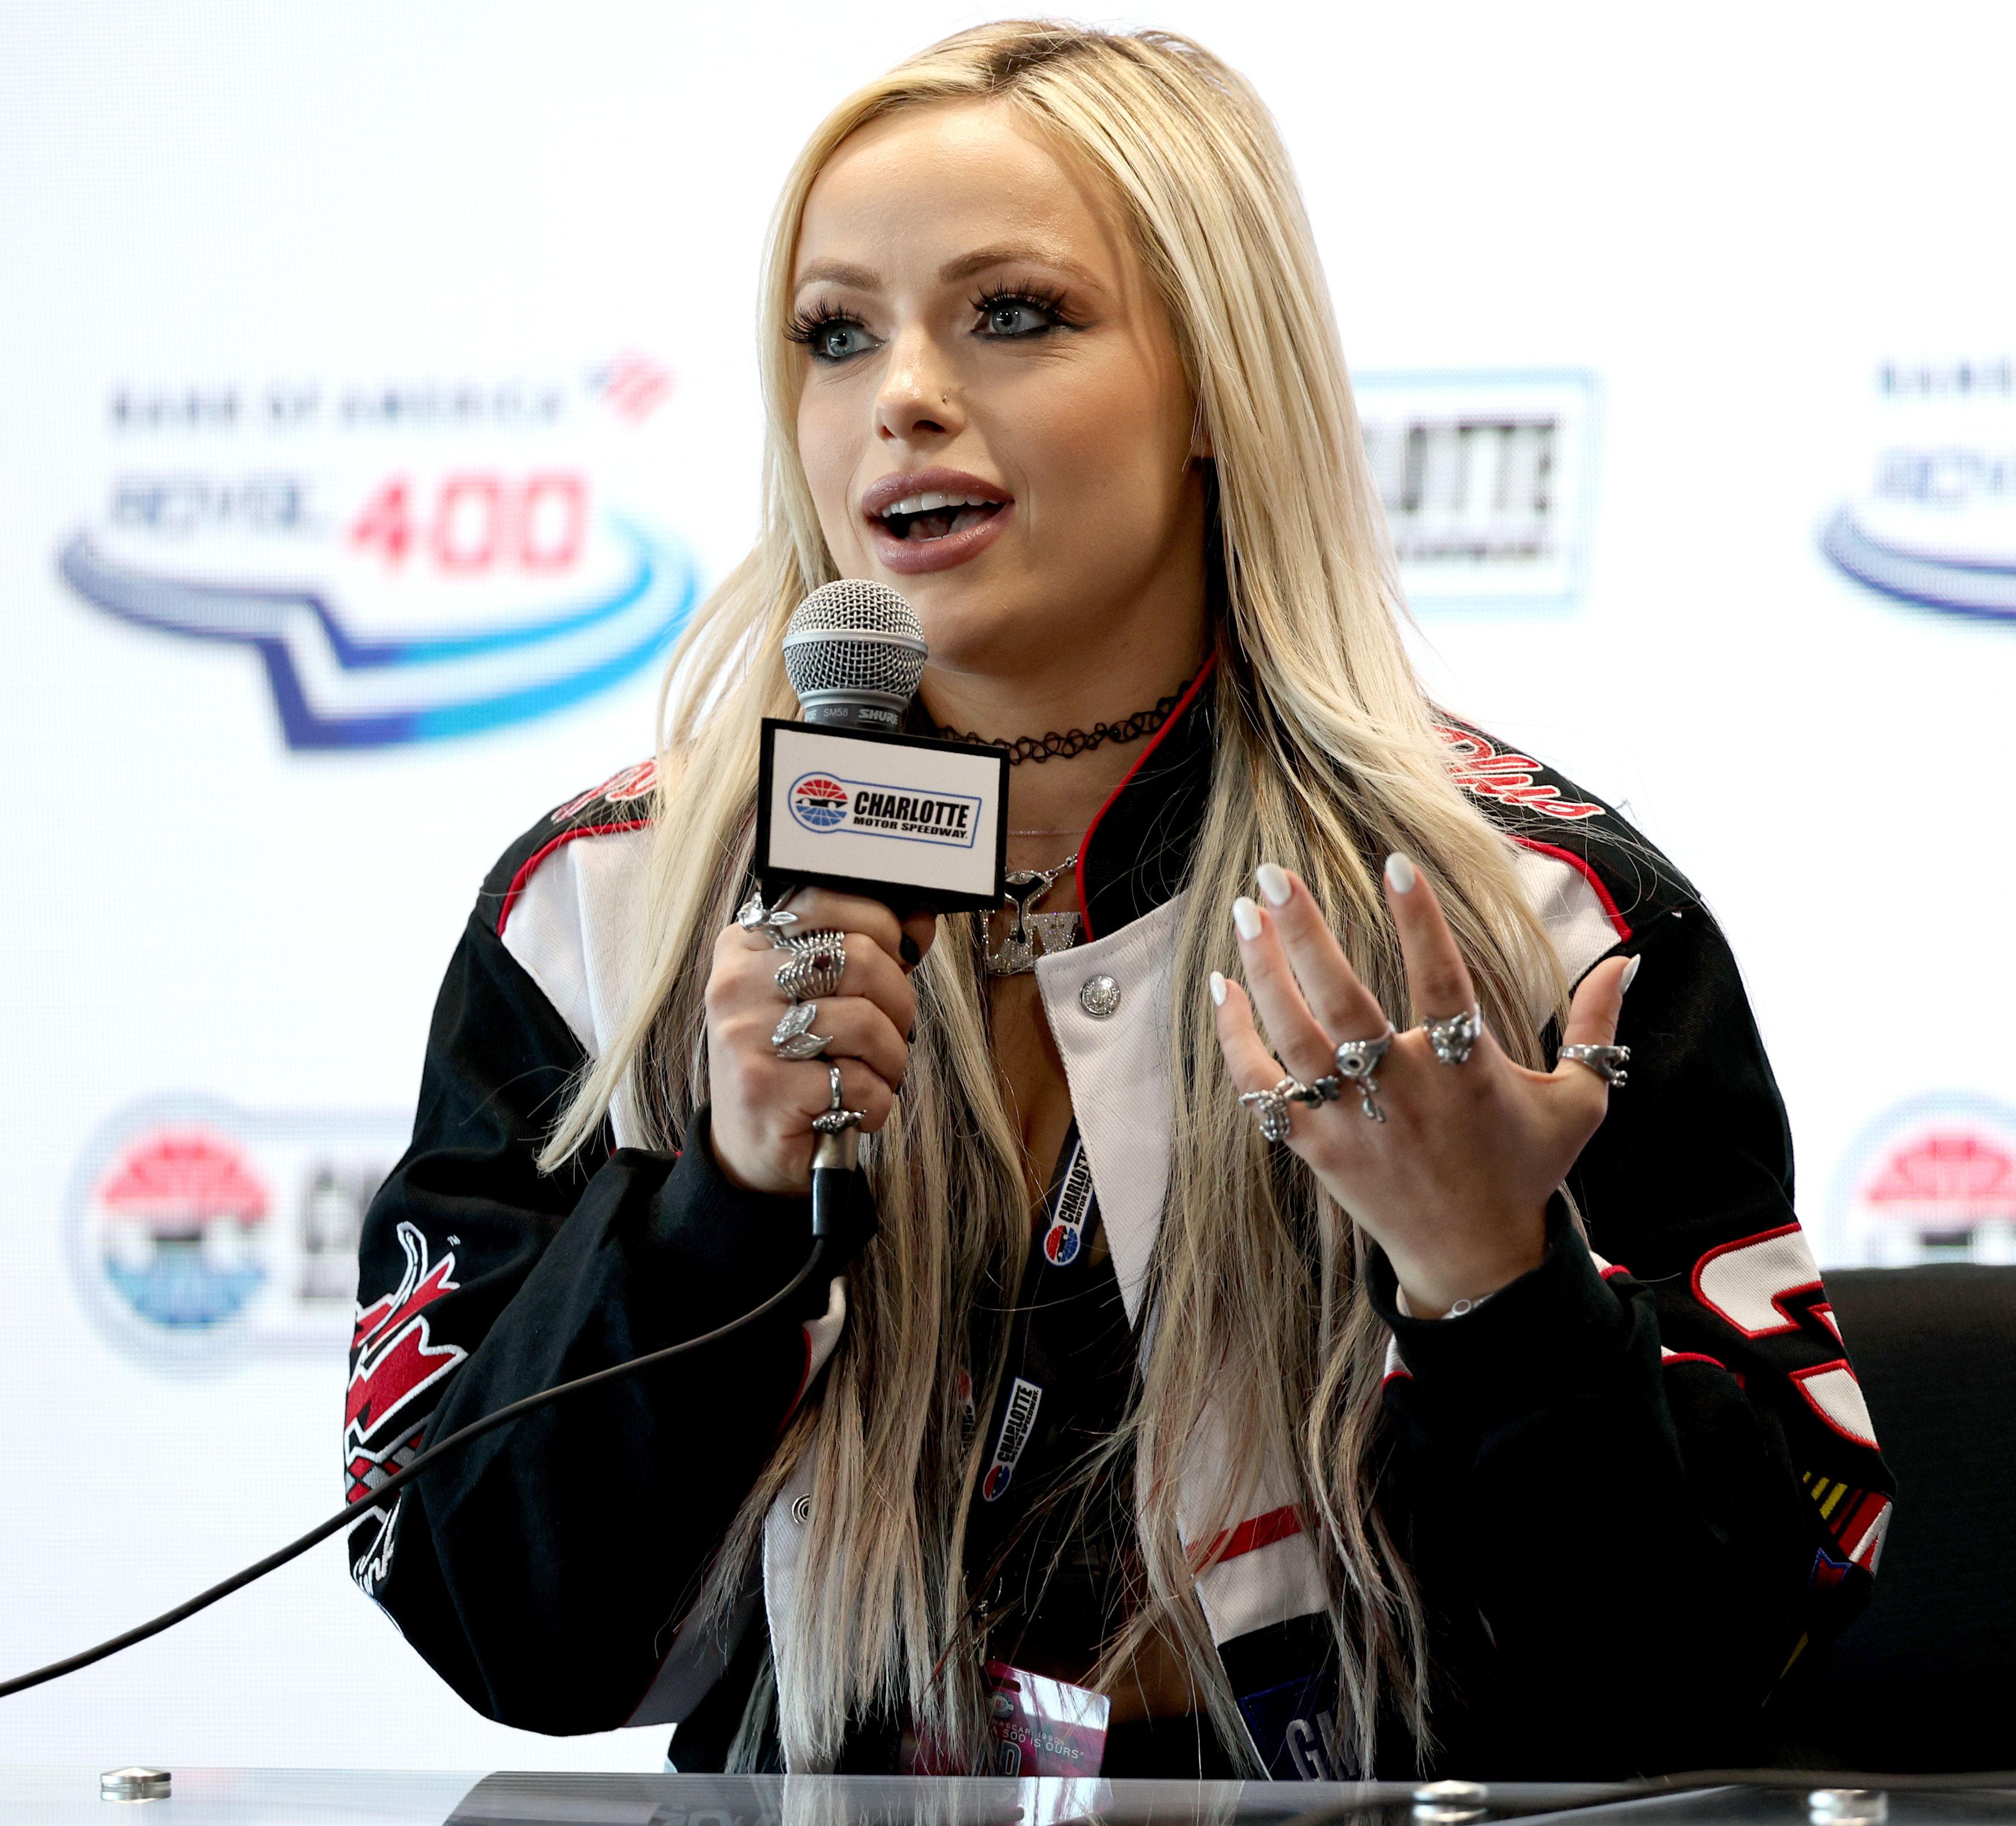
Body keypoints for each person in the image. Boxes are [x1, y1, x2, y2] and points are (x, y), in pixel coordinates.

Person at [343, 20, 1892, 1779]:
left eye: (1013, 315)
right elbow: (500, 1634)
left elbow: (1713, 1674)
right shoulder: (604, 917)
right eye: (837, 334)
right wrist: (721, 1207)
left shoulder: (1519, 918)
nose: (901, 395)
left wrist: (1497, 1282)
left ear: (1220, 383)